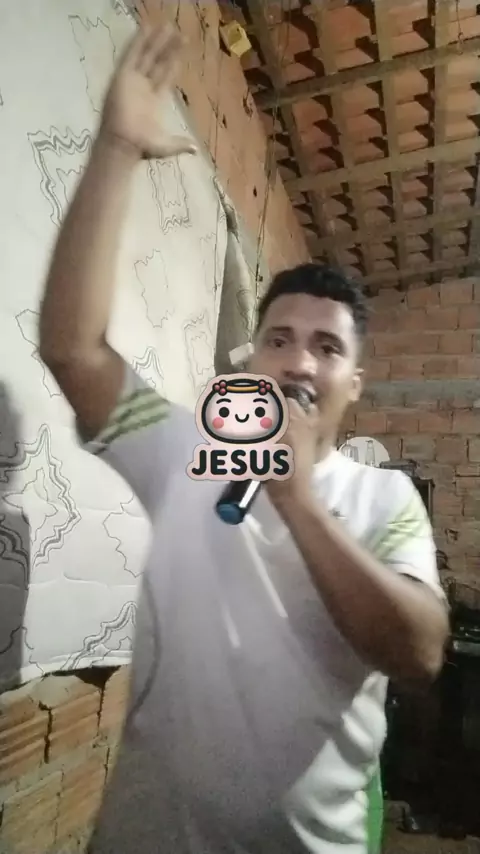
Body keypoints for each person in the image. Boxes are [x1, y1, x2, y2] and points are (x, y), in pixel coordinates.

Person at [39, 21, 449, 854]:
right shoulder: (185, 454)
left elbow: (418, 650)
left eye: (326, 347)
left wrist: (298, 502)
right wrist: (115, 149)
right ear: (251, 358)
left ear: (354, 384)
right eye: (279, 339)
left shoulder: (385, 497)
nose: (298, 360)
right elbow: (74, 350)